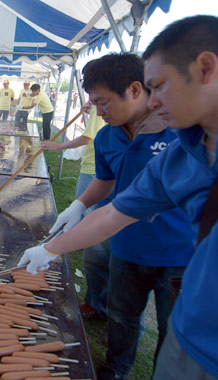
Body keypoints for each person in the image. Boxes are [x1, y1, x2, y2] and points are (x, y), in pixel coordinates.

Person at [19, 17, 218, 379]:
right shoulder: (179, 154)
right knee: (125, 318)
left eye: (159, 86)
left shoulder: (174, 141)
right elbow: (113, 211)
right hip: (185, 330)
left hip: (179, 261)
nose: (154, 100)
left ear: (206, 68)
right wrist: (55, 242)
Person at [42, 99, 110, 319]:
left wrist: (58, 146)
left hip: (94, 171)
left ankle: (98, 304)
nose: (90, 100)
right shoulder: (102, 109)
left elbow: (88, 137)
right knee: (91, 233)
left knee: (96, 238)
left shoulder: (104, 109)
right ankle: (97, 302)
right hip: (94, 169)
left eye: (93, 94)